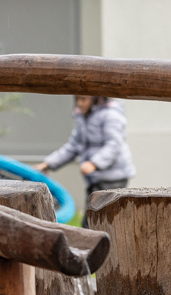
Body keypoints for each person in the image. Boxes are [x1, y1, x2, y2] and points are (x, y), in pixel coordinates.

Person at [35, 96, 137, 227]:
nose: (79, 103)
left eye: (83, 99)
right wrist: (48, 163)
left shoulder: (110, 114)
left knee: (105, 221)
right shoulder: (83, 117)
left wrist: (94, 163)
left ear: (96, 99)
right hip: (94, 179)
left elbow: (114, 144)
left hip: (112, 178)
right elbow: (73, 146)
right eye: (77, 99)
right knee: (91, 220)